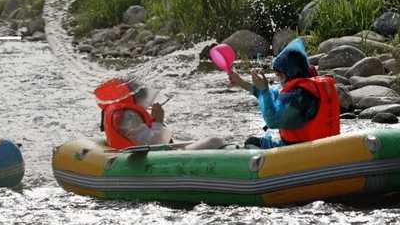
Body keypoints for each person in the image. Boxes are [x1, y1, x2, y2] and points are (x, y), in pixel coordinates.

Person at [227, 38, 340, 148]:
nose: (277, 80)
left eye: (278, 75)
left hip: (301, 152)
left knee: (251, 142)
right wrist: (241, 82)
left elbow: (272, 121)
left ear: (286, 75)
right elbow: (271, 97)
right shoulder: (307, 88)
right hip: (325, 148)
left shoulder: (299, 97)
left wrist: (264, 90)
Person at [95, 77, 223, 150]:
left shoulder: (120, 112)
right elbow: (155, 145)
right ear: (133, 97)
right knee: (215, 141)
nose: (146, 102)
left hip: (135, 155)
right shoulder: (129, 116)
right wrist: (158, 121)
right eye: (143, 98)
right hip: (142, 162)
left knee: (206, 142)